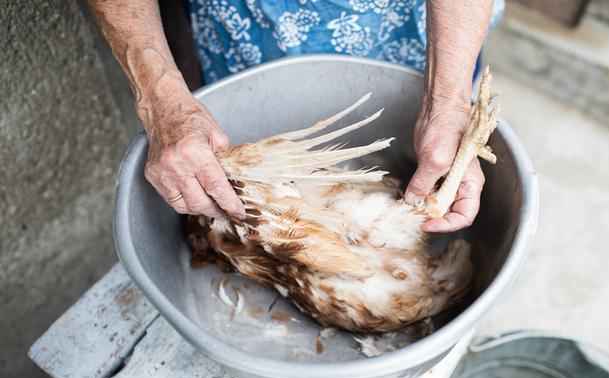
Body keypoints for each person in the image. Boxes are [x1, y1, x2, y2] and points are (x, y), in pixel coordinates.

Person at [88, 0, 503, 232]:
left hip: (414, 21)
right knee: (243, 182)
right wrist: (163, 102)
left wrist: (446, 100)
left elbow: (448, 100)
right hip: (248, 22)